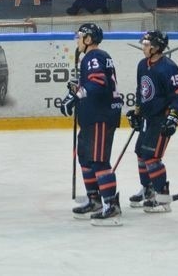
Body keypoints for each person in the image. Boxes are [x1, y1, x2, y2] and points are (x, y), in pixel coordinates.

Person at [60, 23, 124, 225]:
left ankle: (111, 206)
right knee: (86, 159)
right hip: (92, 116)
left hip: (100, 116)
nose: (77, 40)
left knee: (98, 161)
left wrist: (76, 96)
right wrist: (77, 88)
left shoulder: (94, 56)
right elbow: (92, 83)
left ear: (88, 39)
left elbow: (98, 83)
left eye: (80, 37)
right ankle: (94, 200)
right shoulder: (92, 57)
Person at [125, 30, 178, 214]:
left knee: (152, 158)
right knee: (140, 154)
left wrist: (173, 116)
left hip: (161, 119)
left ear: (156, 47)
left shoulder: (168, 67)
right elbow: (141, 90)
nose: (143, 47)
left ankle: (163, 199)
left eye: (146, 44)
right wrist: (137, 111)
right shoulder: (142, 65)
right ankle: (148, 190)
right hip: (147, 118)